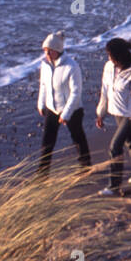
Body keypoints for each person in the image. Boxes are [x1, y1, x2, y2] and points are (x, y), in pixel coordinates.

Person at [95, 37, 131, 196]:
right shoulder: (108, 67)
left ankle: (114, 186)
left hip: (130, 116)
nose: (109, 58)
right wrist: (101, 113)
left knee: (115, 147)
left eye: (111, 55)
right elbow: (105, 90)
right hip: (117, 113)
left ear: (119, 55)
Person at [36, 30, 91, 177]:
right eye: (45, 51)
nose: (47, 55)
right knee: (47, 142)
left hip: (72, 110)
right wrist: (41, 104)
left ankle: (85, 167)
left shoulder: (72, 67)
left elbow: (76, 93)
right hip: (52, 109)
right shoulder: (45, 65)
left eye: (50, 51)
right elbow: (43, 86)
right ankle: (42, 173)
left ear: (58, 50)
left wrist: (66, 114)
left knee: (78, 138)